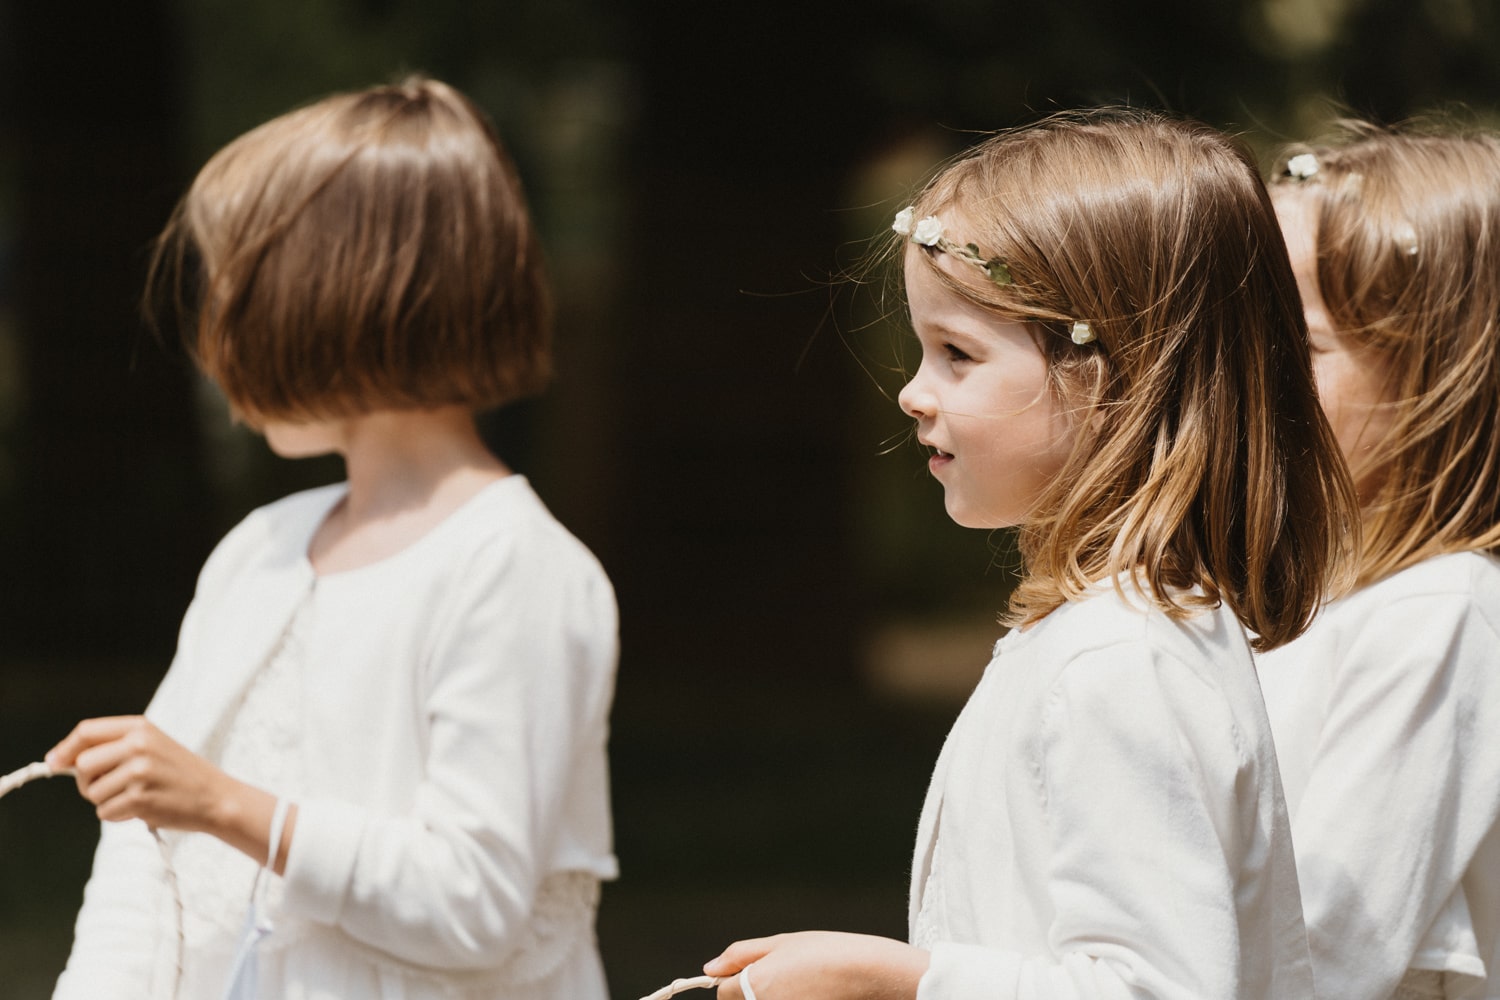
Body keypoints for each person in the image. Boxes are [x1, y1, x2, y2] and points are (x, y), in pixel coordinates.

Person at [702, 109, 1357, 999]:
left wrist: (895, 980)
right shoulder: (1099, 638)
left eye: (957, 354)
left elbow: (1155, 987)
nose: (911, 392)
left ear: (1111, 375)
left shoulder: (1122, 664)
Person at [47, 76, 619, 1000]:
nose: (214, 326)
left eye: (239, 284)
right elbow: (139, 865)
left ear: (348, 294)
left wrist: (222, 804)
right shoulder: (259, 551)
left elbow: (473, 904)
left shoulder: (514, 568)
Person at [1257, 125, 1500, 1000]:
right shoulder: (1298, 605)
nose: (1251, 370)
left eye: (1301, 345)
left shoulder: (1441, 614)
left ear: (1444, 373)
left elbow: (1324, 956)